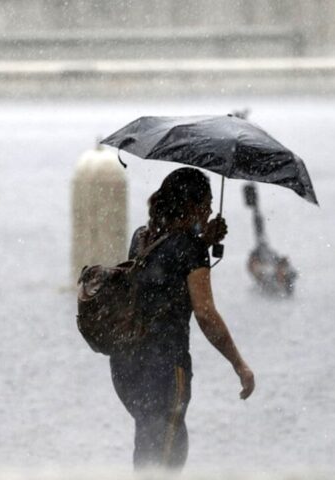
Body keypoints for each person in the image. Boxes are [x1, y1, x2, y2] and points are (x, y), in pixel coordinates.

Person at [110, 167, 255, 470]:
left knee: (150, 443)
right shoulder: (190, 251)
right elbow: (205, 313)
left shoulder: (142, 237)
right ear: (192, 205)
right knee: (169, 453)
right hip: (163, 367)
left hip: (127, 365)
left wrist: (201, 241)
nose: (212, 210)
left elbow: (162, 273)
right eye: (207, 202)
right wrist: (238, 363)